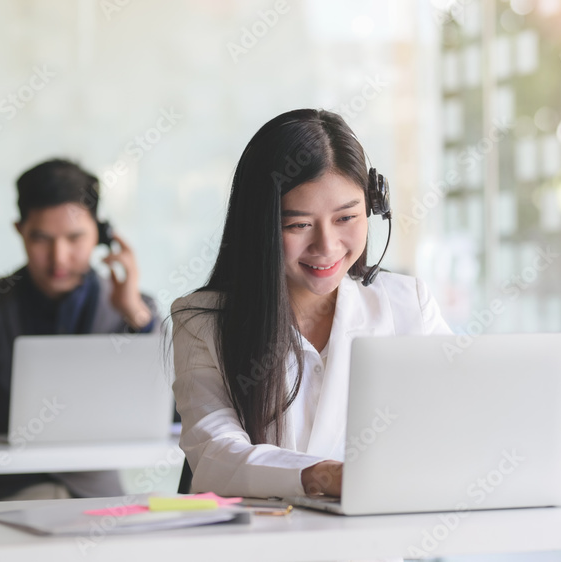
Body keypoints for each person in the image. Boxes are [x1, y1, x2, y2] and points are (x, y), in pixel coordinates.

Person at [171, 109, 452, 499]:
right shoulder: (202, 321)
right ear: (261, 226)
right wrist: (322, 475)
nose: (327, 246)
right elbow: (215, 456)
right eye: (298, 224)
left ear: (373, 207)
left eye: (346, 217)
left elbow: (457, 421)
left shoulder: (408, 305)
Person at [0, 158, 159, 502]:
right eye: (42, 239)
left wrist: (137, 317)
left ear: (102, 234)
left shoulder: (133, 309)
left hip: (92, 496)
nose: (59, 257)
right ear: (19, 230)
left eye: (75, 237)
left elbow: (175, 412)